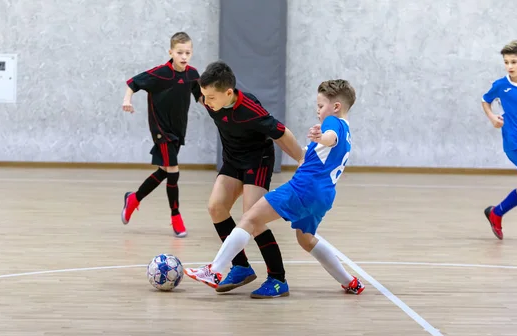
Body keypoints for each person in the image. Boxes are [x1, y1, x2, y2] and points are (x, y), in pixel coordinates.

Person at [185, 79, 365, 297]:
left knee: (250, 219)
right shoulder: (347, 131)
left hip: (303, 189)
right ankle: (350, 281)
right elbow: (328, 147)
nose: (318, 111)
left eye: (320, 106)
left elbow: (330, 137)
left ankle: (214, 271)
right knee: (306, 239)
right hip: (324, 196)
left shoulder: (333, 123)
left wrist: (322, 137)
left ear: (336, 106)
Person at [196, 60, 305, 298]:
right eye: (204, 96)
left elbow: (281, 133)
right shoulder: (208, 96)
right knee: (216, 207)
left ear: (229, 92)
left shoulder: (250, 109)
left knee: (252, 218)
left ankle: (278, 279)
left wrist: (301, 159)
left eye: (212, 97)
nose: (206, 102)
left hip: (258, 160)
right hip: (233, 160)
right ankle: (241, 267)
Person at [121, 32, 202, 237]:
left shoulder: (192, 74)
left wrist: (218, 108)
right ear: (171, 52)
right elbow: (133, 83)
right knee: (173, 171)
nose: (184, 56)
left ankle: (134, 198)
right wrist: (127, 100)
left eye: (188, 53)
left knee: (164, 171)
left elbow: (200, 96)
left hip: (178, 130)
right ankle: (176, 216)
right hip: (160, 130)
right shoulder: (160, 74)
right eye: (180, 52)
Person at [482, 40, 517, 240]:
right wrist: (493, 117)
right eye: (506, 62)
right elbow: (485, 100)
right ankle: (497, 212)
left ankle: (497, 212)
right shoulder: (501, 85)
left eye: (514, 62)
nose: (509, 66)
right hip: (515, 142)